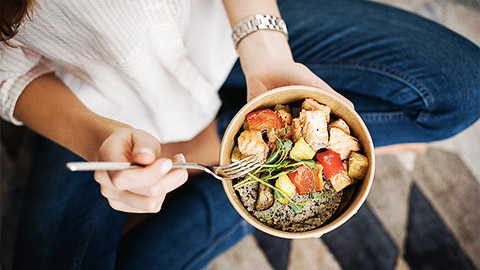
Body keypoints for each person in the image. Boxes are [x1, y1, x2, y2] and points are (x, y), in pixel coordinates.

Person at [1, 0, 478, 269]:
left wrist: (267, 53)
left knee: (462, 87)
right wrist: (95, 138)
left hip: (229, 33)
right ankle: (235, 174)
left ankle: (233, 175)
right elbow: (8, 76)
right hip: (100, 101)